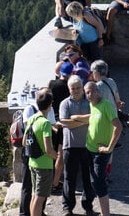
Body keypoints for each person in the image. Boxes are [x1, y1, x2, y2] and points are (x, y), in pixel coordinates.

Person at [58, 76, 96, 216]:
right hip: (70, 146)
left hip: (88, 145)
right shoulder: (65, 104)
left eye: (78, 88)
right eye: (73, 88)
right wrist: (84, 121)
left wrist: (75, 118)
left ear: (82, 87)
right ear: (69, 89)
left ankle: (88, 206)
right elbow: (64, 122)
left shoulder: (89, 102)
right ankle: (67, 207)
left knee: (88, 177)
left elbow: (94, 118)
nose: (75, 91)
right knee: (69, 178)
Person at [84, 80, 122, 216]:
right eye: (87, 92)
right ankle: (101, 211)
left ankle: (105, 213)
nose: (89, 94)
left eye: (92, 91)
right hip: (90, 149)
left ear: (97, 91)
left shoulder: (106, 105)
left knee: (99, 183)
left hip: (101, 152)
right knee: (94, 180)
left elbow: (118, 126)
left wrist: (109, 147)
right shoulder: (91, 105)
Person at [25, 88, 58, 216]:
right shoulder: (45, 124)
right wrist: (57, 156)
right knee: (40, 199)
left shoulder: (32, 119)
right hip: (44, 165)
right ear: (50, 105)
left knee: (34, 196)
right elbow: (48, 149)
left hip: (32, 162)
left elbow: (24, 142)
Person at [89, 59, 129, 127]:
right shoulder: (111, 81)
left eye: (92, 72)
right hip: (114, 115)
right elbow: (118, 100)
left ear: (96, 72)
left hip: (103, 118)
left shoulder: (96, 87)